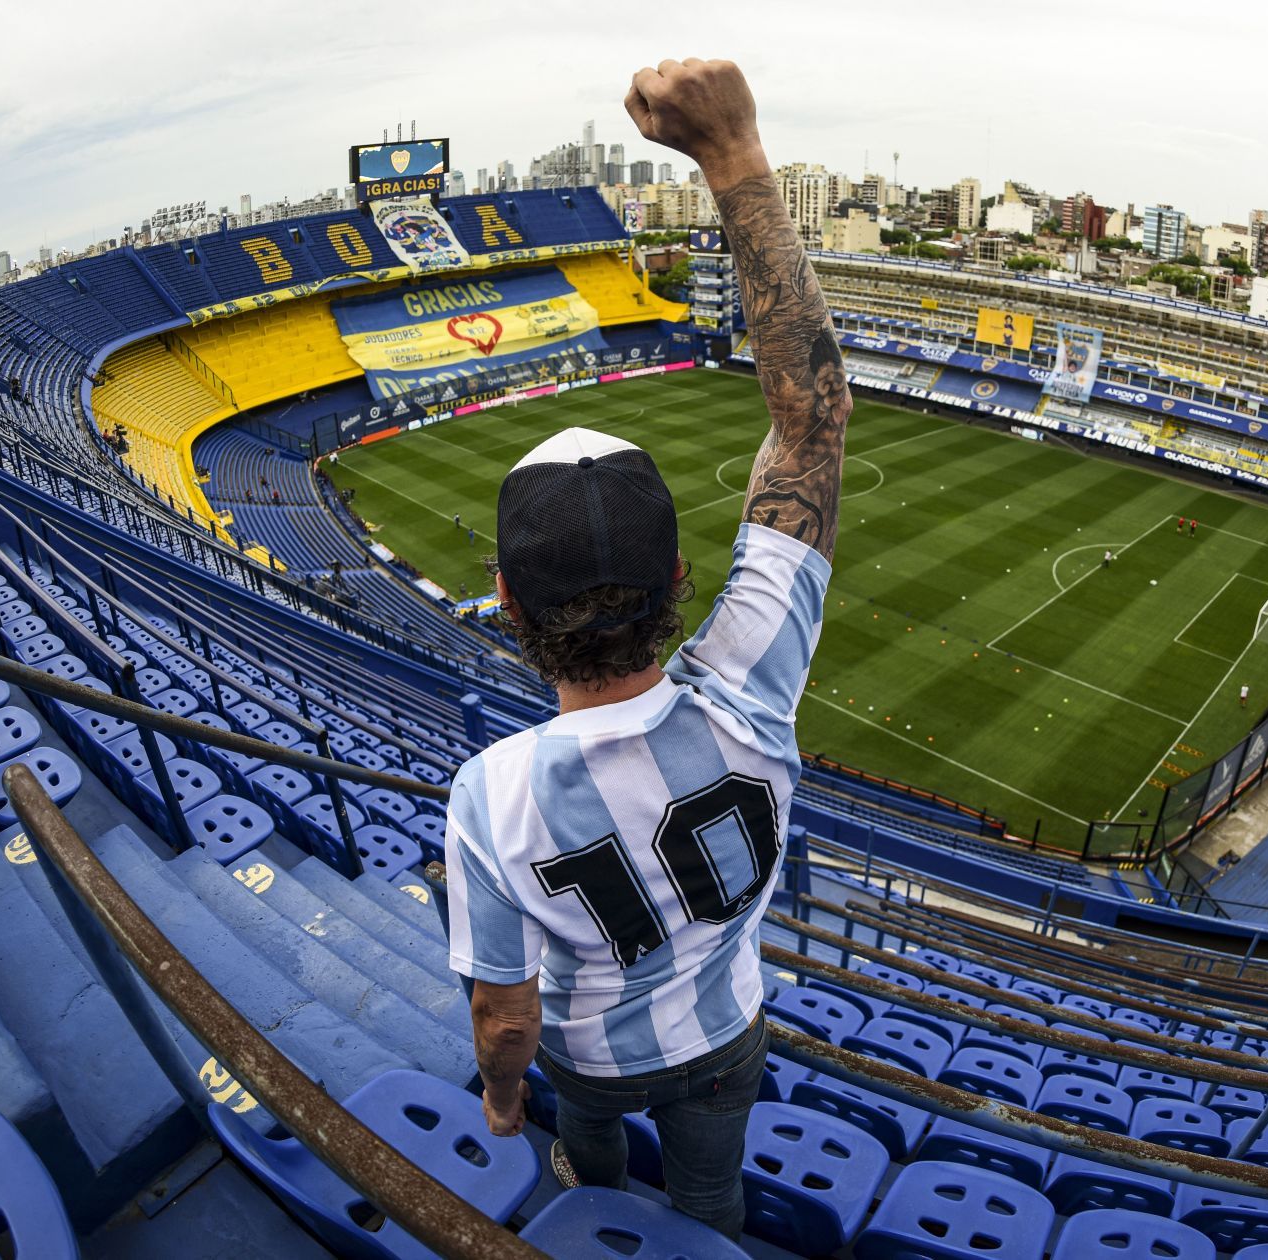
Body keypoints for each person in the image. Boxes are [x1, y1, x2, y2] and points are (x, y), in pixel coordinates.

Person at [445, 57, 851, 1241]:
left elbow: (505, 1017)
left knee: (594, 1162)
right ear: (681, 579)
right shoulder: (751, 688)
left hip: (595, 1057)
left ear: (509, 601)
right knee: (714, 1192)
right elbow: (813, 424)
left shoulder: (495, 793)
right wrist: (735, 155)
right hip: (727, 1030)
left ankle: (595, 1207)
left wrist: (507, 1093)